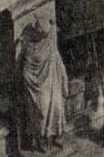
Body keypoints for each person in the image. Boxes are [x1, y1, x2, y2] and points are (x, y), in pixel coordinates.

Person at [16, 17, 69, 150]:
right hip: (38, 89)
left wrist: (64, 82)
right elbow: (25, 71)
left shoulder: (50, 44)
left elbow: (59, 63)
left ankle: (54, 138)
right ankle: (42, 142)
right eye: (41, 33)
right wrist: (32, 84)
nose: (44, 36)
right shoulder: (29, 48)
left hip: (52, 85)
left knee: (56, 109)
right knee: (42, 114)